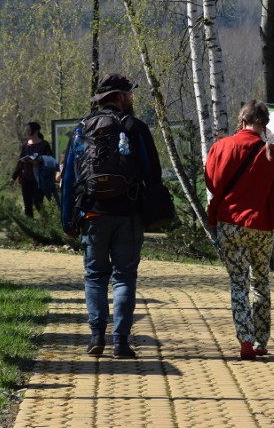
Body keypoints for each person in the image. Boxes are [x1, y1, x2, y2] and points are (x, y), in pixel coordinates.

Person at [61, 73, 163, 359]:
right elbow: (152, 174)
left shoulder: (82, 129)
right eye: (129, 94)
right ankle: (120, 342)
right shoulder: (135, 128)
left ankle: (96, 336)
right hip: (128, 214)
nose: (132, 98)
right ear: (120, 96)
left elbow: (68, 178)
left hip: (92, 214)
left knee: (94, 276)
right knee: (124, 277)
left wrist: (67, 220)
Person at [204, 99, 274, 360]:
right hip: (262, 225)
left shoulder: (222, 147)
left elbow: (210, 180)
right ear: (264, 125)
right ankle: (261, 341)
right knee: (261, 280)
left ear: (242, 121)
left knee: (238, 282)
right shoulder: (272, 152)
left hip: (230, 224)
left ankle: (245, 340)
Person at [9, 122, 53, 218]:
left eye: (29, 130)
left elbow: (50, 160)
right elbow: (20, 163)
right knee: (27, 204)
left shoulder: (44, 145)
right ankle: (30, 228)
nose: (27, 132)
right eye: (27, 130)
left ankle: (45, 225)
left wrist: (39, 162)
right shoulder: (25, 146)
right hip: (26, 178)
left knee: (38, 203)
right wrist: (13, 177)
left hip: (39, 179)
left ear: (36, 130)